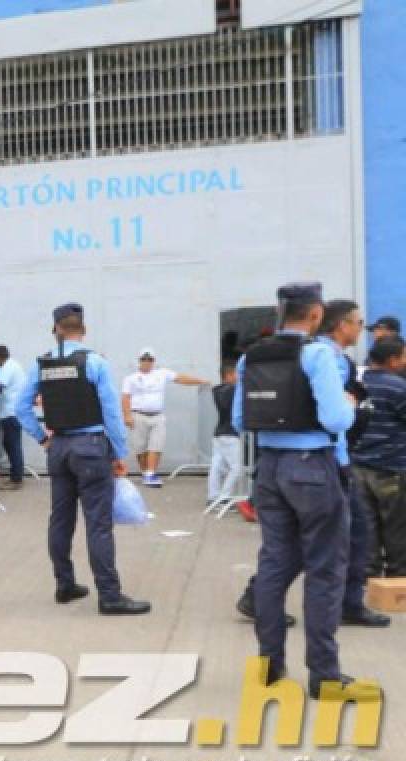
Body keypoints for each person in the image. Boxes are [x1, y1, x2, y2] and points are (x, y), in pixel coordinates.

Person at [232, 283, 365, 698]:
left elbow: (240, 419)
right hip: (312, 467)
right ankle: (324, 674)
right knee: (325, 570)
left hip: (269, 468)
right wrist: (350, 403)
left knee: (274, 565)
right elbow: (336, 420)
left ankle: (270, 667)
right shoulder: (318, 354)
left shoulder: (250, 357)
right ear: (315, 314)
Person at [17, 303, 150, 615]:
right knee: (98, 525)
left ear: (56, 330)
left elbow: (21, 406)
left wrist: (42, 437)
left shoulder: (42, 364)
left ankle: (65, 585)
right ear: (84, 330)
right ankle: (110, 596)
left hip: (59, 448)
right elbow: (112, 413)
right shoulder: (96, 363)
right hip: (91, 448)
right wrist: (118, 453)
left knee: (60, 519)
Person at [353, 335, 406, 577]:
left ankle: (369, 572)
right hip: (390, 468)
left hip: (358, 466)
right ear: (393, 360)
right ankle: (398, 573)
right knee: (395, 523)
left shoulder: (355, 384)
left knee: (367, 522)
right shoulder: (398, 387)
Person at [120, 348, 209, 487]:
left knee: (156, 445)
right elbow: (125, 397)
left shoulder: (162, 374)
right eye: (144, 359)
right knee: (140, 448)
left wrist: (201, 381)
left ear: (154, 361)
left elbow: (180, 378)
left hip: (157, 416)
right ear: (139, 361)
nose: (147, 362)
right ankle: (145, 473)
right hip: (138, 415)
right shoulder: (130, 378)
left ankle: (150, 474)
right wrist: (127, 416)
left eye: (150, 359)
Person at [207, 364, 243, 504]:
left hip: (219, 433)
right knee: (236, 468)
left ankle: (213, 496)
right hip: (231, 434)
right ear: (228, 375)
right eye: (236, 373)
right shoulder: (234, 391)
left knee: (217, 466)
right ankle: (225, 496)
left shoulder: (217, 390)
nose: (238, 377)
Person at [0, 345, 26, 490]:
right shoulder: (13, 365)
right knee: (10, 443)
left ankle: (16, 478)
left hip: (11, 412)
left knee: (13, 445)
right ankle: (16, 474)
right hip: (13, 411)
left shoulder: (7, 367)